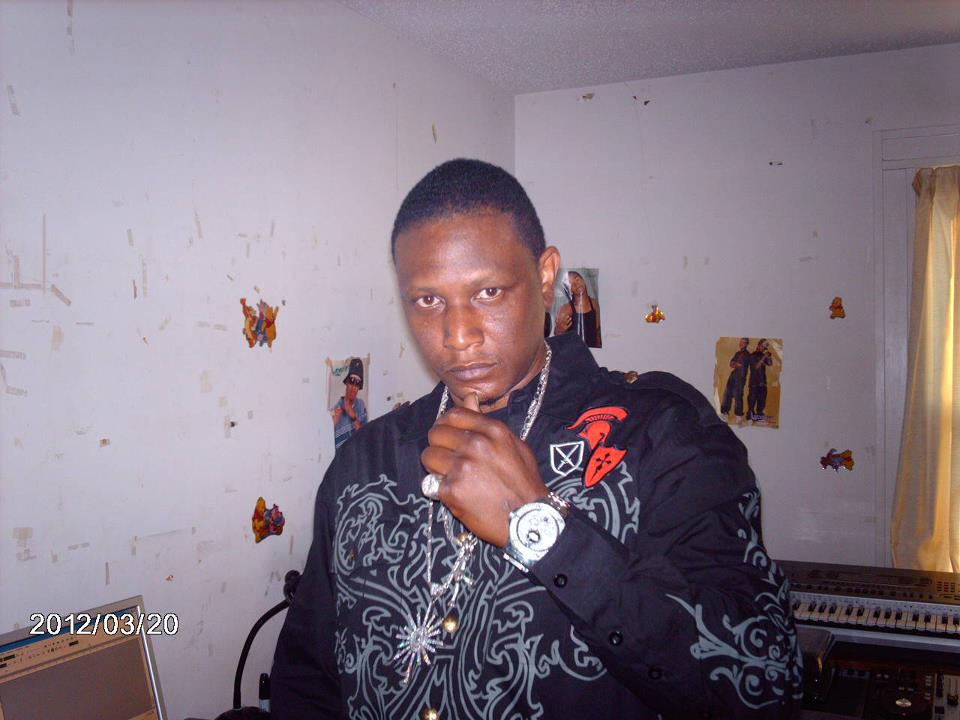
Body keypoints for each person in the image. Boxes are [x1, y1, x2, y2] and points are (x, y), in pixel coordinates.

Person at [271, 159, 802, 719]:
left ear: (546, 277)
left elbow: (764, 681)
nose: (458, 336)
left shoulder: (663, 434)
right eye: (428, 300)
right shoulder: (363, 462)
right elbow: (308, 679)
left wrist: (542, 528)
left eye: (488, 292)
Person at [554, 269, 602, 347]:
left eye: (577, 279)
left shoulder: (595, 303)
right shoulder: (566, 309)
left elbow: (597, 330)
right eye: (571, 284)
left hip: (593, 351)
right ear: (570, 291)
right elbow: (557, 336)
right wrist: (559, 330)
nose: (576, 284)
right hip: (574, 352)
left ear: (583, 280)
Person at [331, 357, 367, 450]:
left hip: (357, 455)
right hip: (341, 456)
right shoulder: (336, 407)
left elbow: (365, 437)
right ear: (346, 383)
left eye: (357, 383)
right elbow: (324, 439)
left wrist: (354, 417)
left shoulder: (361, 405)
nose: (353, 387)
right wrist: (332, 423)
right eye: (351, 381)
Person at [720, 337, 751, 420]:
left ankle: (738, 415)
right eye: (740, 342)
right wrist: (735, 363)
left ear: (747, 344)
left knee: (738, 396)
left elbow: (739, 365)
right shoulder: (737, 353)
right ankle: (725, 412)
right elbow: (731, 364)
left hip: (740, 378)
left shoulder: (747, 354)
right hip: (733, 376)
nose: (741, 344)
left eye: (743, 342)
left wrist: (735, 363)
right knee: (727, 394)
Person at [748, 339, 774, 422]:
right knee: (752, 400)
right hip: (754, 382)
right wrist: (764, 357)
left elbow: (770, 364)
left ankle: (759, 416)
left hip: (762, 382)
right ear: (758, 345)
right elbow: (756, 367)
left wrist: (769, 356)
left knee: (762, 400)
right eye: (763, 346)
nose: (763, 348)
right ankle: (750, 417)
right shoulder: (752, 355)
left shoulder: (763, 355)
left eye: (765, 347)